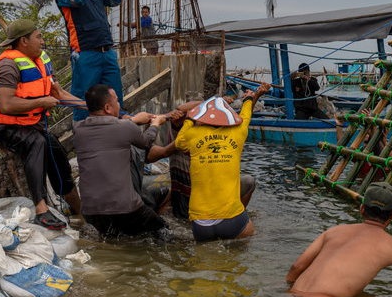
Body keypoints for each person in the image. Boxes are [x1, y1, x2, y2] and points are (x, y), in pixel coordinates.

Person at [0, 19, 82, 230]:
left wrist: (90, 106)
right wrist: (41, 102)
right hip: (10, 129)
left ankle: (79, 211)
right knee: (37, 143)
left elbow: (58, 93)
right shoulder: (7, 65)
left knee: (58, 157)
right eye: (39, 37)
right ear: (23, 40)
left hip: (35, 124)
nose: (43, 41)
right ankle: (41, 210)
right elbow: (5, 104)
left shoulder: (41, 60)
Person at [162, 83, 270, 242]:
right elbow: (246, 115)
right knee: (249, 241)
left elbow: (179, 141)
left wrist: (190, 119)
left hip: (200, 224)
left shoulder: (191, 135)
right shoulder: (238, 132)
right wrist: (249, 98)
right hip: (231, 218)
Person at [72, 84, 170, 237]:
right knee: (162, 231)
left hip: (91, 210)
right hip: (125, 208)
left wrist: (133, 121)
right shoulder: (125, 127)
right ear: (107, 107)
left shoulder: (78, 129)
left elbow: (108, 133)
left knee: (112, 238)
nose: (119, 105)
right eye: (117, 101)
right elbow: (146, 142)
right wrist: (155, 125)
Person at [148, 99, 256, 221]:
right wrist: (214, 101)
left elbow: (243, 121)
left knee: (248, 182)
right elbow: (181, 109)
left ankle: (236, 216)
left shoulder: (196, 134)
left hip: (206, 195)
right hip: (188, 193)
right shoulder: (186, 134)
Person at [54, 0, 122, 121]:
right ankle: (84, 137)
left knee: (115, 98)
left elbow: (115, 0)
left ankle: (116, 134)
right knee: (84, 100)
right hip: (85, 52)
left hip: (107, 51)